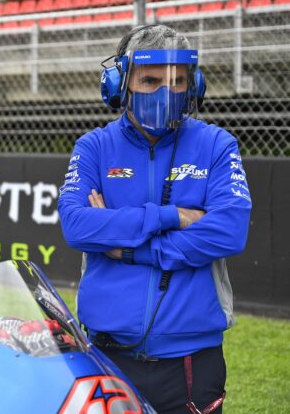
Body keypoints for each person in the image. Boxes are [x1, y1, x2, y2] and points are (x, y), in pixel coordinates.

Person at [57, 24, 251, 413]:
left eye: (178, 81)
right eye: (150, 80)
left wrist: (128, 249)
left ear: (193, 85)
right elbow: (77, 225)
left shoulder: (216, 145)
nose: (166, 92)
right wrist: (172, 215)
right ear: (119, 83)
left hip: (192, 361)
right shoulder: (93, 146)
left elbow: (229, 231)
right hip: (107, 355)